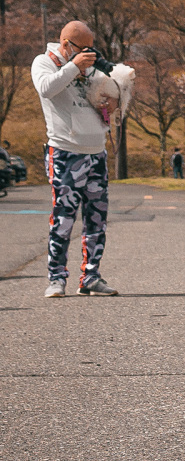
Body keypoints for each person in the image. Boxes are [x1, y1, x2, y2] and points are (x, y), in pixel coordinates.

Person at [31, 21, 119, 297]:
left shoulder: (89, 67)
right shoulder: (44, 62)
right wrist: (74, 66)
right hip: (65, 152)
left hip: (96, 152)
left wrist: (112, 103)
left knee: (97, 219)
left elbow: (102, 95)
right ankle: (56, 278)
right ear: (67, 44)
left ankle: (91, 276)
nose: (90, 54)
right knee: (64, 218)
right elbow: (46, 89)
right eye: (84, 48)